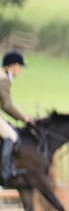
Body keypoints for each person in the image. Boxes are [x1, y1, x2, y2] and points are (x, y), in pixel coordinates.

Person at [0, 49, 32, 184]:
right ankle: (5, 170)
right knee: (11, 136)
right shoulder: (3, 79)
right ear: (12, 66)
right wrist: (24, 118)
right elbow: (7, 105)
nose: (20, 70)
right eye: (19, 67)